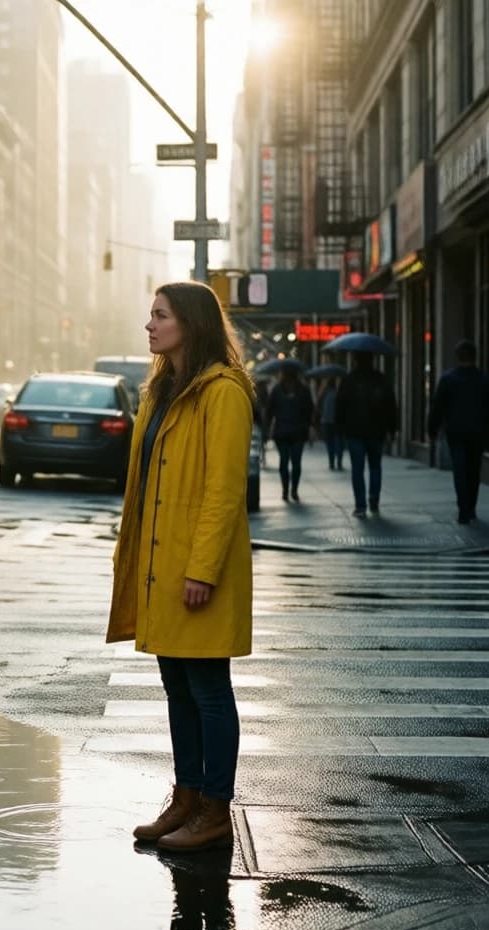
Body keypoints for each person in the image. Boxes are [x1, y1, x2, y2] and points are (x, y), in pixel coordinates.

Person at [107, 281, 254, 854]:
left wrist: (203, 569)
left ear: (189, 323)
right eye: (149, 315)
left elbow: (223, 490)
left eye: (159, 316)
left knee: (209, 688)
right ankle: (187, 797)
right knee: (177, 686)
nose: (149, 325)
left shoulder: (224, 392)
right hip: (159, 566)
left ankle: (216, 808)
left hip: (196, 569)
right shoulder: (159, 390)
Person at [428, 339, 489, 524]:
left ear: (458, 357)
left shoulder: (448, 379)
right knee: (473, 471)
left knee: (460, 470)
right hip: (478, 433)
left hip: (456, 432)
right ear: (474, 357)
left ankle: (463, 508)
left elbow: (437, 407)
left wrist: (432, 429)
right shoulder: (484, 380)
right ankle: (471, 507)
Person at [335, 351, 397, 517]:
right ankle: (374, 499)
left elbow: (340, 405)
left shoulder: (349, 380)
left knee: (358, 468)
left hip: (355, 431)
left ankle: (360, 505)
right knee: (375, 466)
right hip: (377, 431)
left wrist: (340, 428)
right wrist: (392, 429)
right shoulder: (381, 379)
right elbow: (391, 405)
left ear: (355, 361)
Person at [264, 365, 313, 501]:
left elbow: (269, 411)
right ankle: (293, 490)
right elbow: (309, 410)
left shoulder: (277, 390)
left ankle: (286, 490)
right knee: (296, 462)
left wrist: (267, 428)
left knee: (284, 462)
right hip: (297, 432)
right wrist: (307, 425)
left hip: (282, 432)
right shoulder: (303, 390)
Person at [314, 377, 344, 470]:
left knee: (330, 442)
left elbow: (317, 406)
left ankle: (331, 462)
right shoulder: (339, 394)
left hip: (326, 421)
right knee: (339, 441)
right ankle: (338, 460)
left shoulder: (323, 394)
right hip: (337, 421)